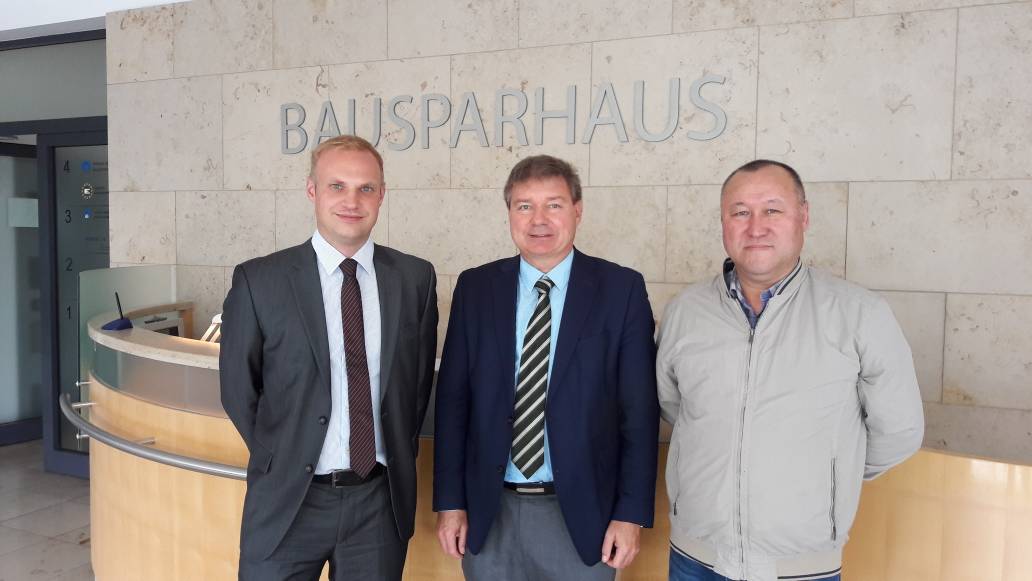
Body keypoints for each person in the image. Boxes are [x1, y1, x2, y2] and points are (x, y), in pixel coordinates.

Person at [657, 160, 924, 581]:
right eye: (740, 212)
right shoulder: (685, 312)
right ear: (723, 222)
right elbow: (674, 406)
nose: (755, 227)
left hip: (801, 568)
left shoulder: (860, 314)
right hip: (695, 558)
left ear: (804, 216)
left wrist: (830, 473)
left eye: (772, 210)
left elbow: (900, 430)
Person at [220, 135, 438, 580]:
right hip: (288, 501)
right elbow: (238, 390)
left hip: (378, 505)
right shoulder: (259, 280)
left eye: (366, 188)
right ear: (312, 191)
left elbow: (415, 387)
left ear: (382, 194)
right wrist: (282, 454)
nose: (352, 201)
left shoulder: (415, 278)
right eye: (337, 185)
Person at [433, 154, 659, 581]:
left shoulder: (620, 289)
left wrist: (630, 515)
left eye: (553, 205)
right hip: (489, 513)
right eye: (525, 206)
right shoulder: (476, 288)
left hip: (584, 519)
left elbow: (639, 413)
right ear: (509, 213)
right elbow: (452, 404)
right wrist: (450, 503)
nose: (539, 220)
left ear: (577, 210)